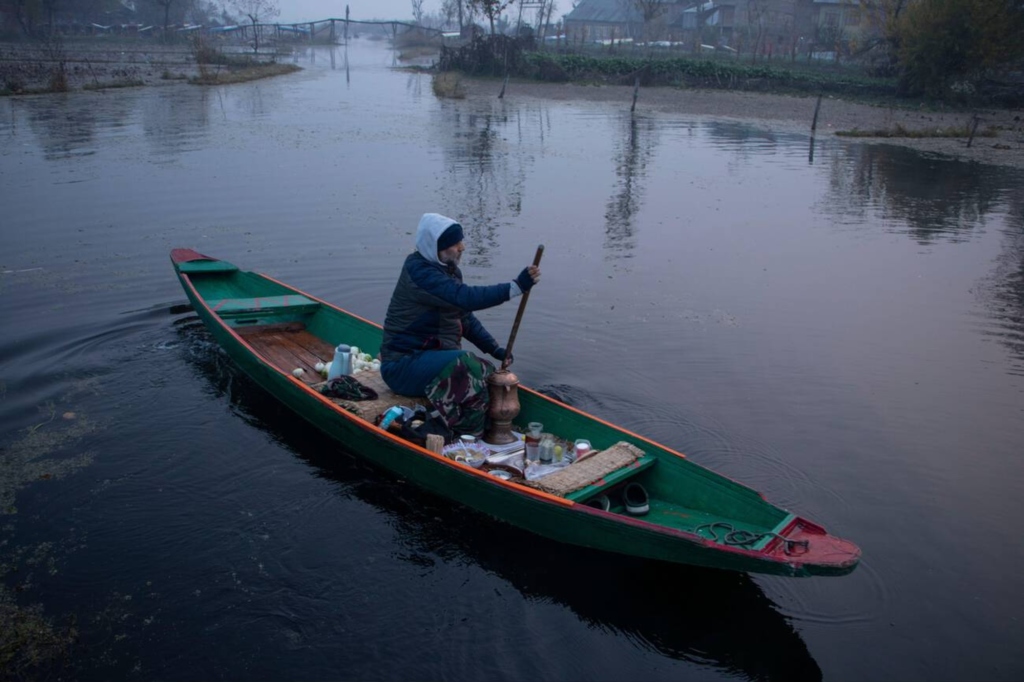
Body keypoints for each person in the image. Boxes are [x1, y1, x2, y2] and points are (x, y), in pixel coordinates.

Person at [380, 213, 541, 438]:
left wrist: (494, 349)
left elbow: (464, 317)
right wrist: (515, 287)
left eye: (460, 241)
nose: (462, 247)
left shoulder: (448, 270)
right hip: (402, 366)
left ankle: (480, 426)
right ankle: (469, 437)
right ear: (436, 247)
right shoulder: (420, 273)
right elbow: (465, 298)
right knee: (467, 364)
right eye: (455, 243)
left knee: (486, 371)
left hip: (429, 361)